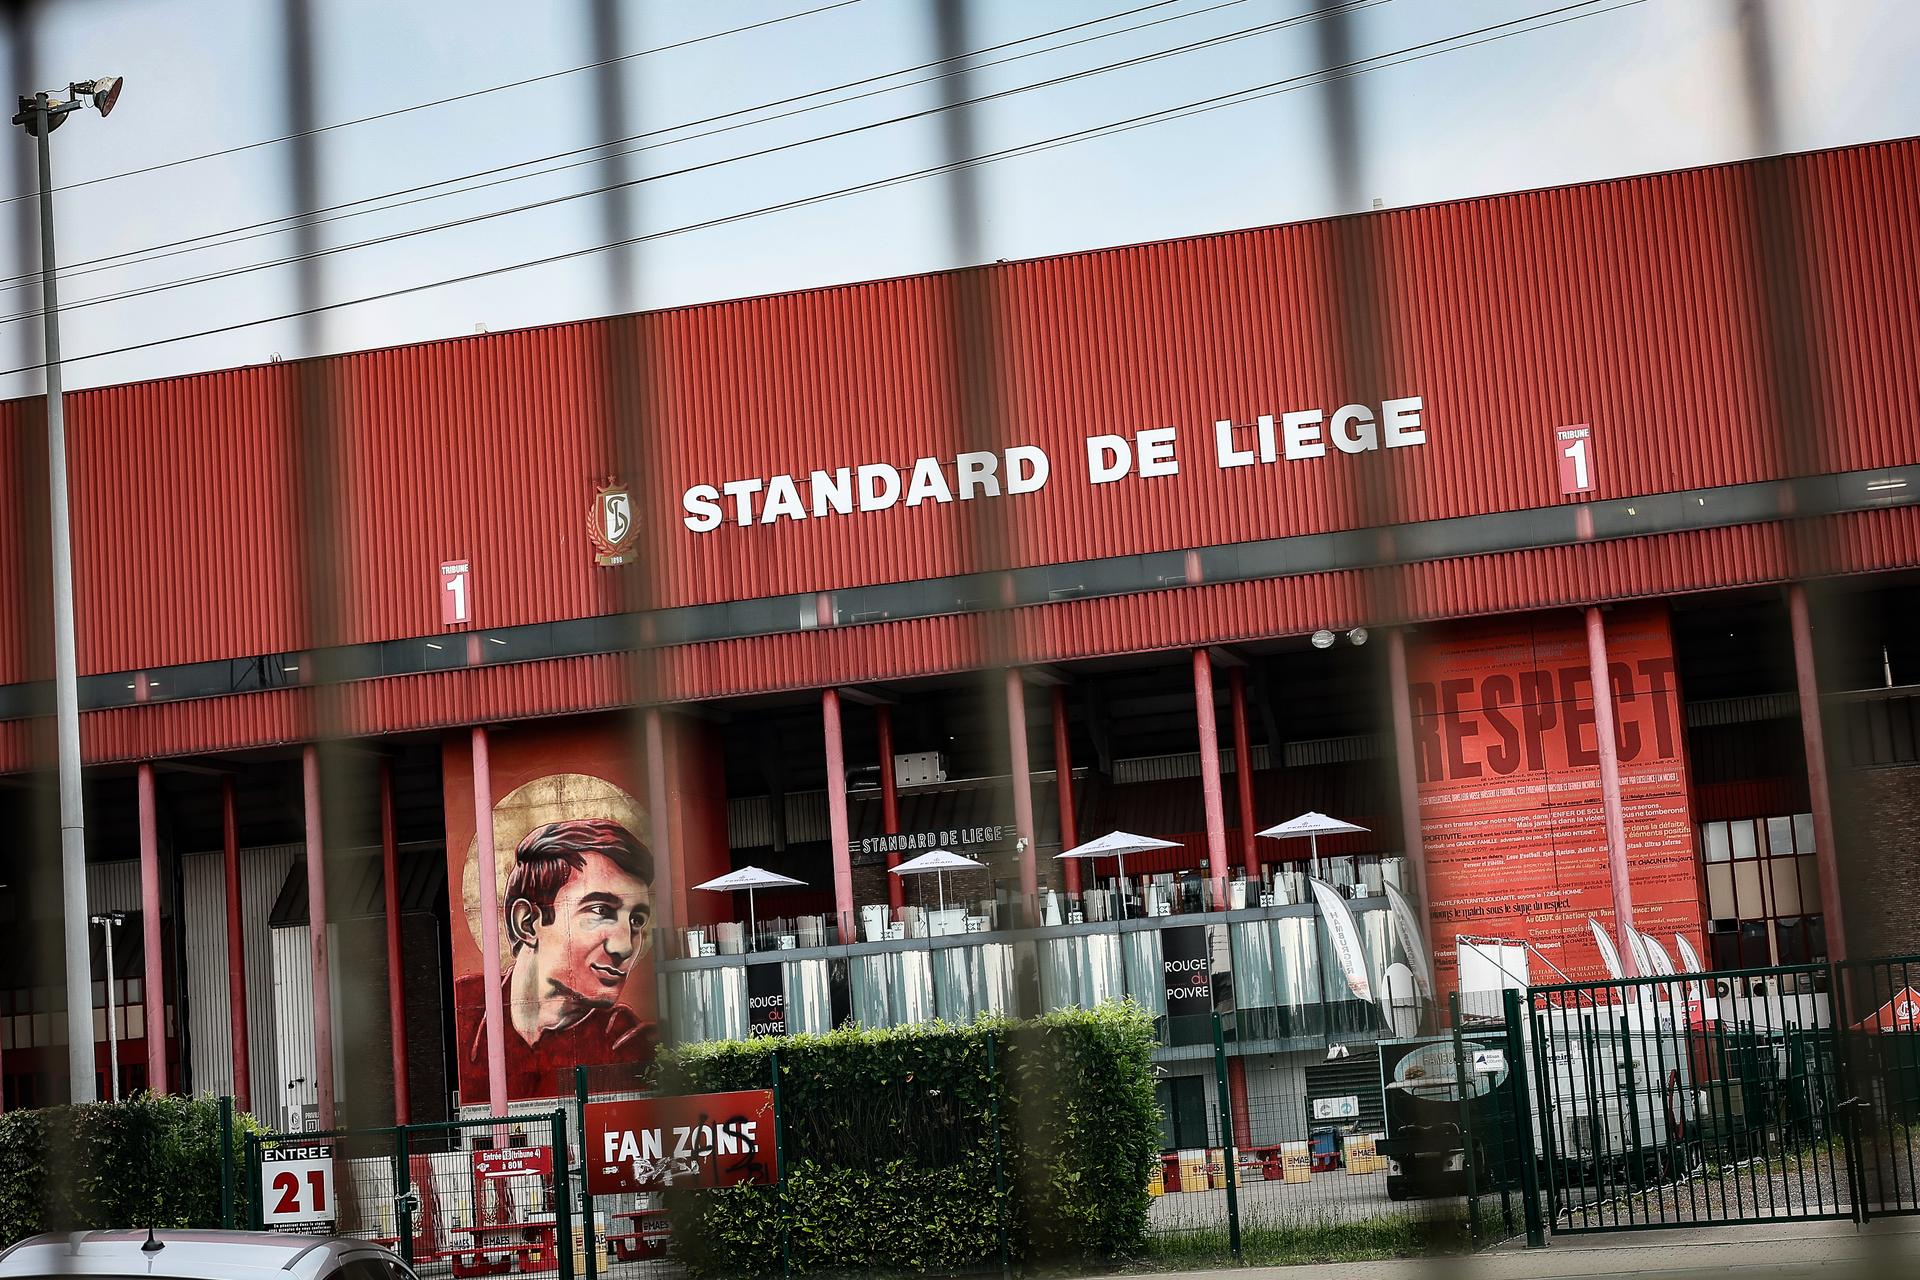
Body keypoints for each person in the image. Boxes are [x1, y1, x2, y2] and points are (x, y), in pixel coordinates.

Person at [458, 817, 657, 1100]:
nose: (624, 946)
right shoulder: (463, 1006)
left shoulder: (630, 1044)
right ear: (527, 923)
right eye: (600, 910)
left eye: (636, 919)